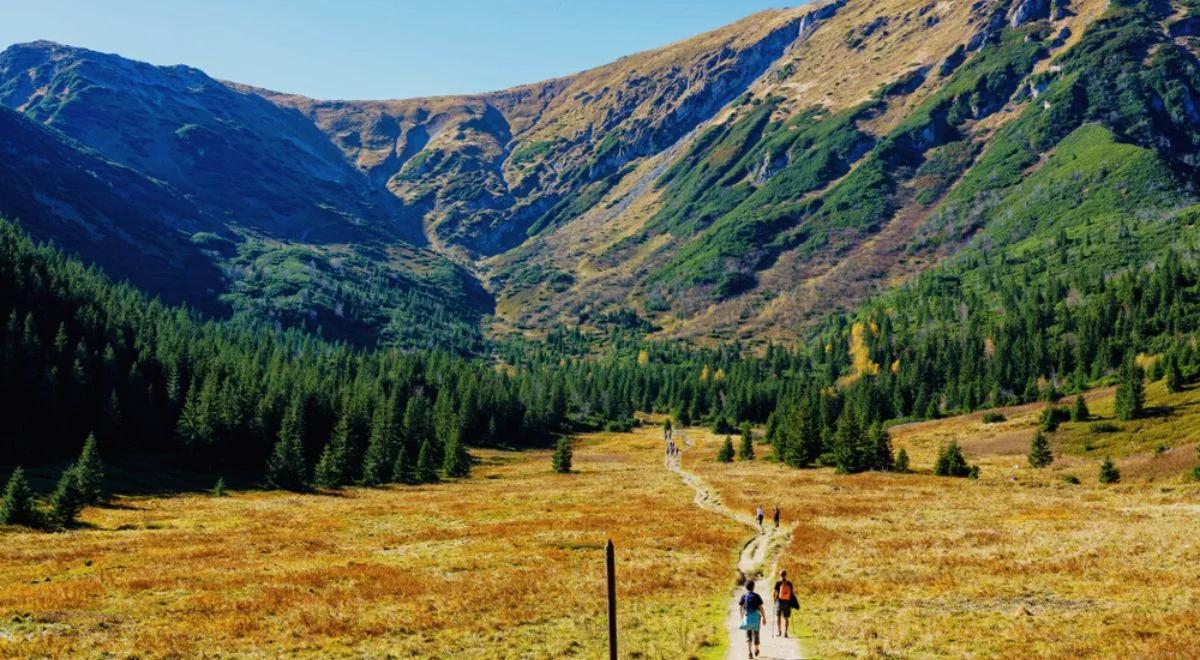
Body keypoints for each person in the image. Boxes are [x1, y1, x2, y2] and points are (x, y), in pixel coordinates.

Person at [739, 579, 766, 658]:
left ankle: (749, 652)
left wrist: (742, 617)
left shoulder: (744, 596)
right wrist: (764, 618)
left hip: (747, 617)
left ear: (746, 587)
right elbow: (761, 608)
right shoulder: (757, 596)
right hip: (756, 617)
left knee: (749, 635)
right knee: (756, 634)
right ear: (753, 587)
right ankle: (756, 649)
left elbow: (740, 608)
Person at [773, 569, 797, 638]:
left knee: (778, 617)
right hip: (787, 603)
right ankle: (785, 632)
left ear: (780, 575)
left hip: (779, 602)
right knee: (786, 618)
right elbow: (792, 593)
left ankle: (779, 631)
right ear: (786, 575)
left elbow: (774, 593)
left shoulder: (778, 582)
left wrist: (774, 601)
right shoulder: (789, 583)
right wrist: (792, 602)